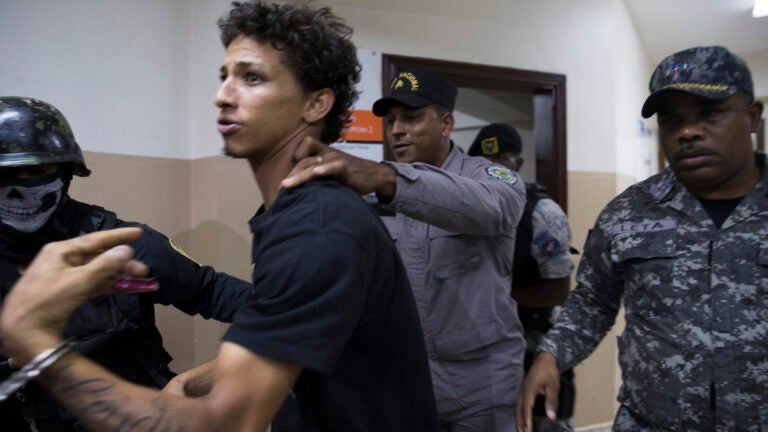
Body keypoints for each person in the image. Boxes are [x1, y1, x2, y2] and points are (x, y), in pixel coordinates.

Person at [0, 2, 439, 431]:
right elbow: (289, 334)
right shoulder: (290, 212)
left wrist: (37, 344)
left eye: (251, 77)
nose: (222, 95)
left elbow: (226, 421)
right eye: (224, 76)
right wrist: (194, 379)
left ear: (315, 104)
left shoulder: (319, 227)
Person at [517, 45, 766, 431]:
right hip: (652, 421)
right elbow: (591, 303)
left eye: (710, 114)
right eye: (671, 121)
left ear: (752, 117)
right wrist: (550, 355)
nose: (687, 132)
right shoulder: (628, 213)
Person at [282, 67, 527, 431]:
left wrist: (387, 178)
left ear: (445, 124)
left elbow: (492, 208)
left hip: (481, 383)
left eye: (411, 118)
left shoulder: (488, 178)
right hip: (405, 378)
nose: (397, 130)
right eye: (391, 120)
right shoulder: (373, 187)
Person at [0, 96, 252, 431]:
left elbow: (246, 303)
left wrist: (193, 383)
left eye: (39, 171)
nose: (21, 187)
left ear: (65, 174)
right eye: (7, 173)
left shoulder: (120, 244)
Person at [468, 123, 576, 432]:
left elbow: (558, 291)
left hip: (533, 340)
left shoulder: (542, 211)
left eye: (503, 161)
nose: (494, 170)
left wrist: (495, 298)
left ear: (519, 164)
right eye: (485, 164)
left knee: (540, 422)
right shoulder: (464, 210)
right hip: (482, 347)